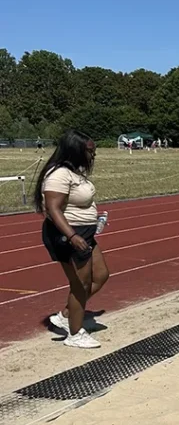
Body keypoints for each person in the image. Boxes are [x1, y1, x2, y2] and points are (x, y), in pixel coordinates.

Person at [33, 129, 110, 350]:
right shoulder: (58, 175)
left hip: (85, 234)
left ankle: (66, 315)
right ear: (75, 150)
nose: (93, 155)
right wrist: (72, 235)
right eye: (89, 151)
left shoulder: (74, 172)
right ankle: (75, 334)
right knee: (80, 285)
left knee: (101, 275)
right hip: (68, 236)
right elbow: (53, 209)